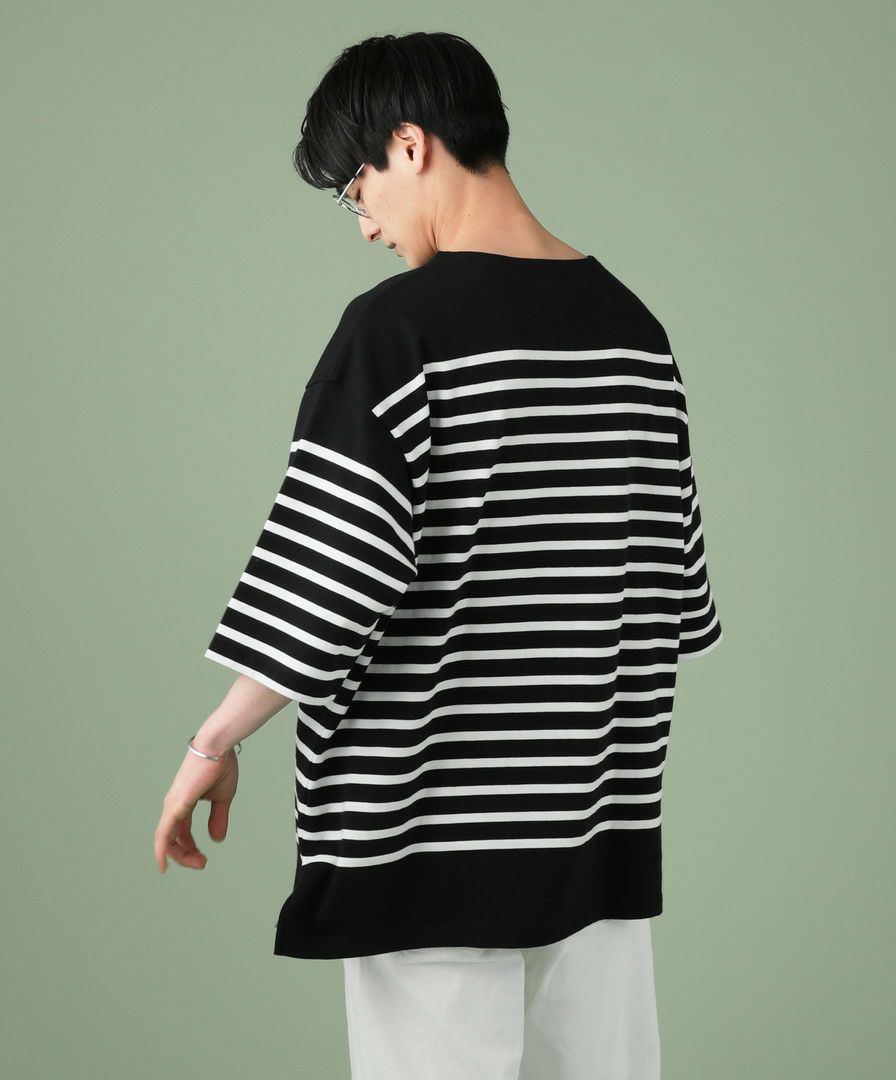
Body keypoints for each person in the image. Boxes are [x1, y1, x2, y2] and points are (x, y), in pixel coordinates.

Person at [154, 31, 724, 1080]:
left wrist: (213, 740)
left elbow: (329, 574)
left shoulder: (398, 334)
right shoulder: (636, 336)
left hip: (424, 838)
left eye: (357, 187)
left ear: (410, 146)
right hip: (596, 837)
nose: (366, 224)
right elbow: (671, 598)